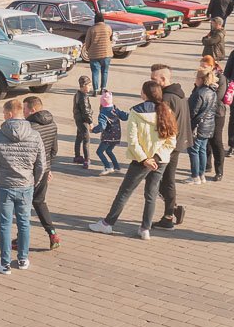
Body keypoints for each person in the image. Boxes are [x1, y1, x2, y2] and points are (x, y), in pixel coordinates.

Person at [88, 81, 178, 240]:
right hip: (160, 161)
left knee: (125, 192)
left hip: (140, 160)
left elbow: (132, 140)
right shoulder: (166, 111)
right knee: (151, 194)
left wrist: (145, 159)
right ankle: (145, 228)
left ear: (145, 94)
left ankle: (107, 224)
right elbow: (171, 141)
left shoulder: (136, 112)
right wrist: (156, 158)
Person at [0, 98, 46, 274]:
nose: (3, 117)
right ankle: (23, 259)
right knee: (24, 223)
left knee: (4, 224)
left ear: (10, 114)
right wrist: (34, 180)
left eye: (4, 114)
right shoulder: (35, 135)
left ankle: (4, 264)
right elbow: (41, 163)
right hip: (26, 185)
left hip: (5, 185)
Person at [150, 64, 191, 229]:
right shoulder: (178, 93)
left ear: (163, 79)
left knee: (165, 180)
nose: (152, 83)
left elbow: (164, 125)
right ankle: (172, 209)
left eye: (154, 79)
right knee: (164, 179)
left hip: (170, 146)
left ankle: (169, 216)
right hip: (178, 142)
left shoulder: (167, 98)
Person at [23, 95, 62, 250]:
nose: (23, 112)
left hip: (29, 172)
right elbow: (54, 150)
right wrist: (47, 168)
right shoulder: (52, 123)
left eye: (25, 108)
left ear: (32, 110)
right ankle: (52, 233)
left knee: (23, 205)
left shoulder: (29, 126)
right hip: (44, 170)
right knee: (39, 201)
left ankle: (21, 239)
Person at [199, 55, 228, 181]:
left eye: (204, 67)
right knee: (205, 140)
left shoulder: (220, 78)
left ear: (212, 66)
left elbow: (219, 96)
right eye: (201, 66)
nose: (202, 69)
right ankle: (207, 164)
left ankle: (219, 170)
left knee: (216, 141)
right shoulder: (201, 76)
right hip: (204, 113)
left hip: (217, 114)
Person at [187, 68, 218, 184]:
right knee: (202, 150)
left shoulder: (199, 93)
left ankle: (195, 176)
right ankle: (202, 175)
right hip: (208, 125)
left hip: (197, 126)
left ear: (200, 79)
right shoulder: (212, 91)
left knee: (194, 151)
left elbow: (192, 111)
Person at [91, 89, 128, 175]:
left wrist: (93, 129)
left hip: (108, 136)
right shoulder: (115, 110)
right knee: (109, 151)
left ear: (102, 103)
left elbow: (102, 127)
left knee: (99, 152)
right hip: (117, 135)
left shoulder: (103, 113)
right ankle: (117, 167)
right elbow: (125, 117)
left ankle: (108, 167)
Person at [82, 18, 114, 91]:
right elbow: (110, 37)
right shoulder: (108, 27)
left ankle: (95, 90)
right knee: (105, 71)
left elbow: (87, 42)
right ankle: (103, 88)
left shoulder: (91, 29)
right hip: (106, 54)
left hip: (94, 54)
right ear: (103, 20)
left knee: (95, 72)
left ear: (95, 21)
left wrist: (88, 50)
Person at [72, 76, 93, 169]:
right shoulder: (83, 97)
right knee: (86, 139)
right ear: (84, 85)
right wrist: (90, 122)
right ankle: (86, 159)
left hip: (78, 119)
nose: (90, 87)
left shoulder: (77, 94)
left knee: (79, 137)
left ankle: (77, 156)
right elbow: (86, 111)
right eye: (89, 85)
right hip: (83, 120)